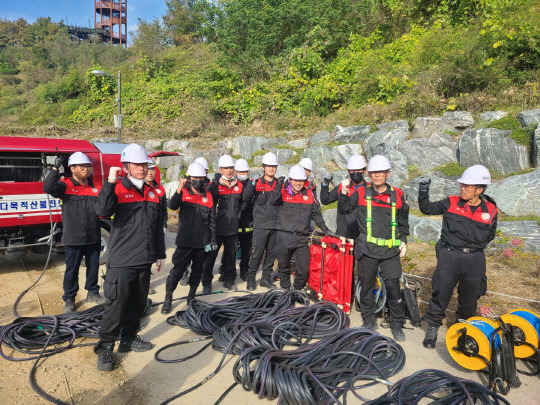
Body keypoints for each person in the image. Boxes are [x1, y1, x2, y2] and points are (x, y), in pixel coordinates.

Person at [94, 144, 166, 371]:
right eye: (136, 164)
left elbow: (157, 228)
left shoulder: (153, 192)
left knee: (137, 304)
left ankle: (128, 338)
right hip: (122, 260)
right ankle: (105, 348)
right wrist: (109, 182)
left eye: (144, 164)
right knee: (117, 306)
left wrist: (159, 255)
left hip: (144, 259)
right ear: (125, 167)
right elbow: (102, 210)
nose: (142, 168)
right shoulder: (116, 189)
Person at [419, 164, 498, 349]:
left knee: (470, 296)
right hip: (450, 255)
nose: (462, 188)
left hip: (474, 259)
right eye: (462, 185)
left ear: (479, 190)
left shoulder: (491, 211)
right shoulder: (451, 202)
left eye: (467, 186)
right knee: (441, 291)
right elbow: (427, 209)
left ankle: (463, 333)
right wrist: (423, 190)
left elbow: (490, 235)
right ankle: (432, 329)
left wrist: (472, 248)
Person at [338, 155, 409, 341]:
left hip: (390, 252)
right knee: (367, 286)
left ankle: (397, 323)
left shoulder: (398, 195)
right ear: (368, 174)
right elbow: (345, 209)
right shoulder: (361, 193)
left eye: (380, 172)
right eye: (373, 173)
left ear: (387, 173)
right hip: (367, 249)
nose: (376, 175)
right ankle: (369, 319)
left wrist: (403, 240)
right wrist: (343, 193)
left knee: (394, 287)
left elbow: (403, 221)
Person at [43, 151, 105, 313]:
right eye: (82, 166)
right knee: (72, 269)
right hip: (73, 237)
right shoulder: (65, 186)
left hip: (93, 236)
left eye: (88, 166)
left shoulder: (95, 187)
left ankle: (92, 292)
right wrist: (55, 169)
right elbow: (48, 187)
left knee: (93, 267)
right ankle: (69, 298)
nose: (86, 169)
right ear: (72, 168)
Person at [161, 163, 217, 314]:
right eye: (194, 177)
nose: (198, 180)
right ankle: (168, 298)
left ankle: (191, 296)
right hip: (185, 242)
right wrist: (179, 187)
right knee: (177, 271)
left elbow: (211, 220)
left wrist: (213, 240)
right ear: (189, 178)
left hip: (202, 242)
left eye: (200, 177)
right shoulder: (183, 193)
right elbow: (172, 205)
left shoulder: (208, 196)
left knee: (197, 271)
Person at [268, 165, 330, 291]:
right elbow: (273, 201)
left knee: (303, 269)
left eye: (301, 180)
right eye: (295, 180)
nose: (298, 183)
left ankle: (297, 289)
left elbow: (316, 214)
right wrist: (278, 186)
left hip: (301, 239)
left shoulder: (309, 196)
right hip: (284, 237)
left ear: (305, 181)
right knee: (284, 267)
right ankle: (285, 289)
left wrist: (325, 229)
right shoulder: (284, 193)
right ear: (290, 180)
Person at [201, 155, 245, 292]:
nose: (229, 170)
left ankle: (229, 280)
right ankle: (206, 283)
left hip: (232, 229)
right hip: (216, 230)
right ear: (220, 169)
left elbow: (243, 204)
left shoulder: (239, 186)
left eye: (231, 168)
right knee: (210, 257)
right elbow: (208, 208)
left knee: (230, 257)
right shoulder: (214, 187)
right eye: (226, 168)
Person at [244, 152, 280, 290]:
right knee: (257, 254)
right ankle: (251, 279)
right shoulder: (257, 183)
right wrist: (252, 184)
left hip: (275, 225)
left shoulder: (279, 183)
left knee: (271, 254)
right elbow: (246, 197)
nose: (271, 168)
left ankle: (265, 279)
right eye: (269, 166)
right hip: (260, 225)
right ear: (263, 167)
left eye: (274, 166)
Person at [179, 156, 211, 286]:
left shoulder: (209, 185)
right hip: (187, 227)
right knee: (186, 254)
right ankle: (184, 273)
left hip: (203, 225)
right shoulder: (186, 187)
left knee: (201, 253)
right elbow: (174, 204)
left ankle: (198, 274)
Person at [321, 154, 368, 239]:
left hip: (362, 235)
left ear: (364, 171)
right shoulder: (343, 186)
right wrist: (325, 184)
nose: (355, 173)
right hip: (343, 234)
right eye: (353, 171)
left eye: (358, 170)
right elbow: (325, 200)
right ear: (349, 171)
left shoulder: (369, 189)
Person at [145, 163, 167, 295]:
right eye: (147, 169)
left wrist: (163, 225)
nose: (150, 172)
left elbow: (163, 210)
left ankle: (146, 283)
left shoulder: (160, 189)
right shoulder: (139, 188)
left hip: (155, 228)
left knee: (151, 255)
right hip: (141, 228)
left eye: (152, 169)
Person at [233, 159, 254, 281]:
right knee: (230, 250)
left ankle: (243, 269)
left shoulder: (251, 185)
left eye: (245, 171)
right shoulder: (232, 184)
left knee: (246, 250)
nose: (243, 173)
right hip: (234, 224)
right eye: (241, 171)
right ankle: (226, 271)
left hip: (248, 223)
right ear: (235, 171)